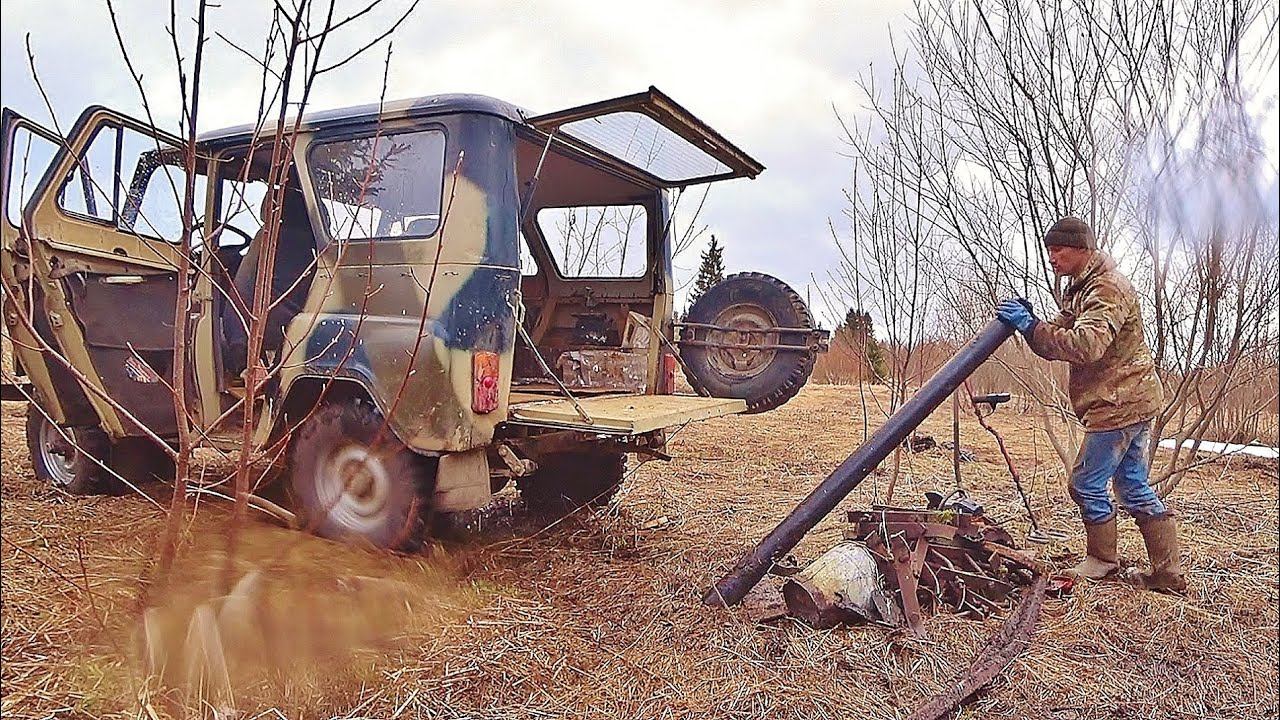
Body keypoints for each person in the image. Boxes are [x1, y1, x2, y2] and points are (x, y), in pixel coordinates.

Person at [996, 216, 1185, 592]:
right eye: (1048, 249)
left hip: (1119, 402)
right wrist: (1032, 324)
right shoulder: (1082, 288)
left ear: (1082, 250)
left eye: (1058, 249)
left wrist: (1031, 327)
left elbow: (1086, 346)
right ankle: (1168, 574)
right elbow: (1061, 333)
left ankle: (1102, 560)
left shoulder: (1106, 290)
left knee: (1085, 482)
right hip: (1130, 397)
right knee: (1131, 483)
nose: (1051, 257)